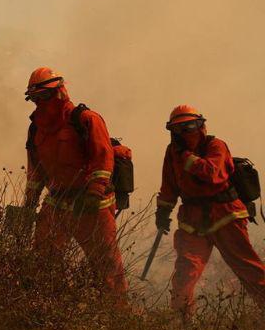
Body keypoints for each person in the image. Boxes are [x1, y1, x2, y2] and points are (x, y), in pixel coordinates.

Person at [23, 67, 128, 298]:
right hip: (57, 203)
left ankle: (120, 320)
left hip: (91, 206)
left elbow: (103, 158)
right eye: (35, 98)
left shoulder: (86, 120)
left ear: (60, 92)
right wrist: (28, 206)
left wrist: (94, 193)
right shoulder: (36, 129)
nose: (40, 103)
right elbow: (35, 173)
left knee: (106, 266)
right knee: (43, 261)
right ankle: (55, 313)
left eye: (45, 96)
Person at [155, 105, 265, 315]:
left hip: (226, 215)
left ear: (201, 125)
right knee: (184, 276)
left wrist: (187, 158)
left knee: (249, 270)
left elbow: (212, 173)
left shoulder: (216, 145)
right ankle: (182, 327)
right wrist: (162, 212)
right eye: (178, 129)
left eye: (190, 126)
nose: (185, 132)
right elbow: (169, 185)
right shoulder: (172, 153)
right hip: (193, 221)